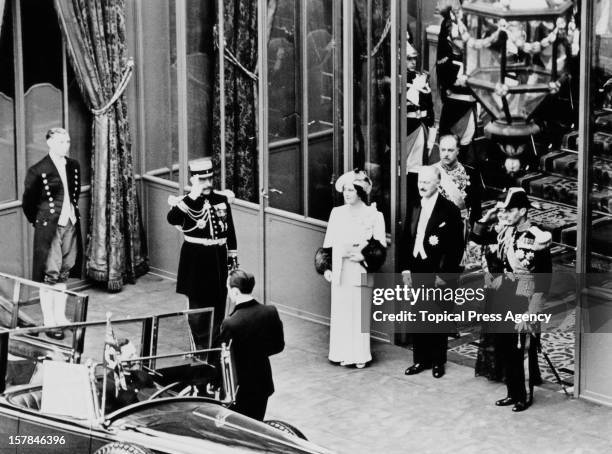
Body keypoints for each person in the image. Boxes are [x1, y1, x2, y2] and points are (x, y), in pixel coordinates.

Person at [481, 188, 552, 412]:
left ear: (522, 210)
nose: (507, 214)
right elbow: (478, 237)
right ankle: (512, 392)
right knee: (505, 346)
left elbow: (544, 279)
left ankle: (525, 395)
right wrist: (485, 219)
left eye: (511, 210)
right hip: (505, 295)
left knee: (522, 349)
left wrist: (532, 311)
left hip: (525, 297)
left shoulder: (537, 237)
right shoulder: (506, 232)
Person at [167, 157, 238, 350]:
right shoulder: (186, 202)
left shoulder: (221, 199)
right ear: (194, 180)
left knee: (219, 300)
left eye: (210, 179)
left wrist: (232, 258)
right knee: (198, 306)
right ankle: (200, 346)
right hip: (196, 259)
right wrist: (192, 195)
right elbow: (172, 218)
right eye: (202, 180)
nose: (207, 184)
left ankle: (215, 345)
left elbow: (229, 230)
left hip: (218, 257)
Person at [399, 166, 464, 379]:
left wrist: (443, 275)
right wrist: (406, 268)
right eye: (420, 181)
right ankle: (420, 359)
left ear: (437, 183)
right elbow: (406, 238)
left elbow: (456, 247)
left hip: (437, 270)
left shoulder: (449, 210)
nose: (422, 185)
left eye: (427, 182)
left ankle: (438, 361)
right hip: (417, 266)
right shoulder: (414, 205)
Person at [321, 170, 386, 369]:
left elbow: (380, 246)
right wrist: (327, 267)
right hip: (341, 267)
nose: (347, 194)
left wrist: (364, 257)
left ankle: (359, 354)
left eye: (351, 190)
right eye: (345, 190)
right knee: (341, 310)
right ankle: (340, 352)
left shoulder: (374, 215)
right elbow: (329, 243)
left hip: (360, 267)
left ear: (360, 192)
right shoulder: (336, 213)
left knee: (359, 310)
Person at [22, 128, 82, 340]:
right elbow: (28, 203)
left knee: (64, 270)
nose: (66, 145)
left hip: (70, 223)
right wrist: (40, 224)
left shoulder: (73, 165)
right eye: (61, 142)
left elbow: (73, 195)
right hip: (49, 227)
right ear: (50, 143)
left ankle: (60, 317)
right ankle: (49, 321)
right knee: (50, 274)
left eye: (67, 141)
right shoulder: (38, 170)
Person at [217, 269, 284, 421]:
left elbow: (224, 359)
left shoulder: (230, 323)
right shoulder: (270, 311)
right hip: (263, 381)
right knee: (257, 422)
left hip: (241, 388)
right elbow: (278, 346)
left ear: (234, 291)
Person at [436, 4, 477, 155]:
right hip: (455, 99)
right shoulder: (449, 22)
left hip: (473, 97)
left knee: (468, 145)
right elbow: (444, 60)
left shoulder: (477, 19)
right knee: (450, 147)